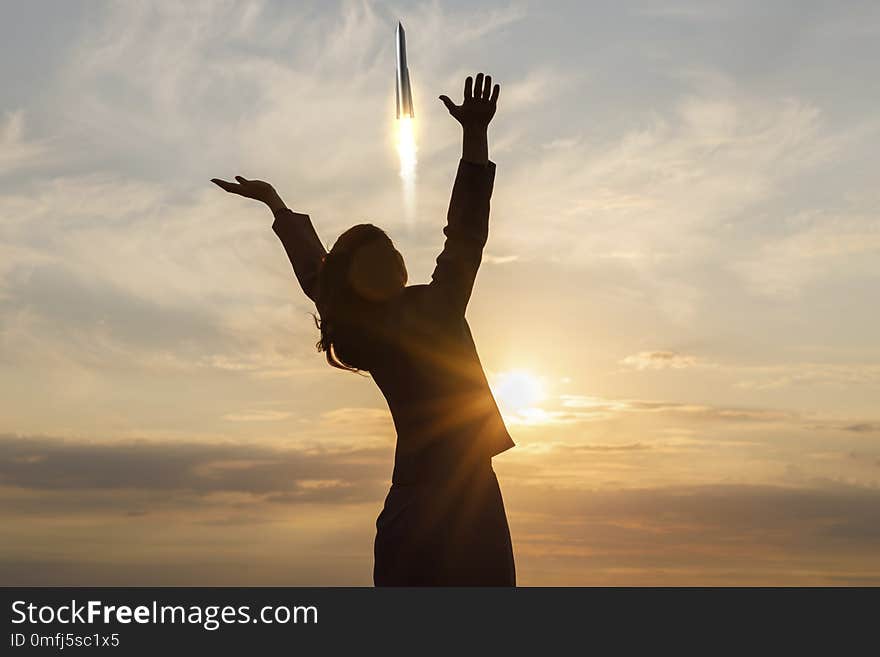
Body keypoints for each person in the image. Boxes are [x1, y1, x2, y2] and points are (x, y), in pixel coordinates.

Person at [212, 72, 515, 586]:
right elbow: (465, 233)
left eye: (391, 252)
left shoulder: (363, 324)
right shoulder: (433, 307)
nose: (395, 260)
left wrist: (278, 206)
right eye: (383, 257)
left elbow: (316, 275)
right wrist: (474, 136)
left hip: (415, 498)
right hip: (457, 500)